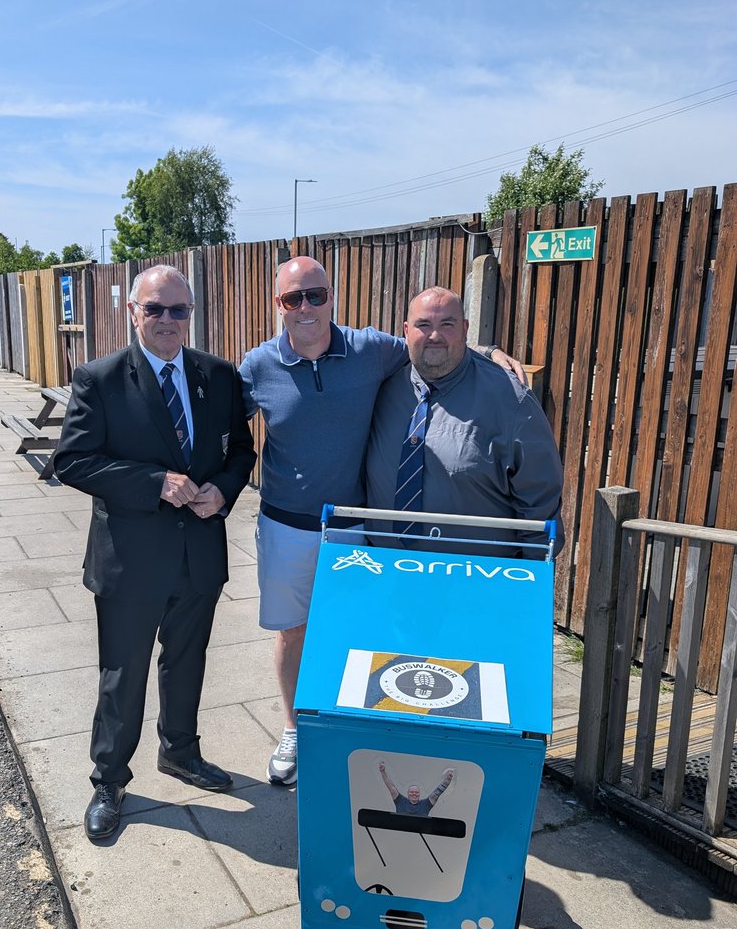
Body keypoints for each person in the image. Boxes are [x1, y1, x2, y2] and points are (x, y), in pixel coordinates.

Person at [238, 256, 523, 786]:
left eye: (315, 295)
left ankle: (344, 731)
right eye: (292, 299)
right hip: (285, 525)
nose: (305, 308)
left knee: (351, 633)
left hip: (352, 526)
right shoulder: (258, 366)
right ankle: (296, 729)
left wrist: (485, 352)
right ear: (278, 305)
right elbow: (223, 435)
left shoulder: (370, 350)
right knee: (292, 633)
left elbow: (431, 343)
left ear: (332, 297)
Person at [53, 265, 256, 841]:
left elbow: (240, 451)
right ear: (133, 313)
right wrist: (154, 483)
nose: (168, 321)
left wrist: (224, 488)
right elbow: (73, 461)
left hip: (199, 553)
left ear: (191, 314)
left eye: (178, 310)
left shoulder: (218, 375)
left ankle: (181, 752)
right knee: (124, 673)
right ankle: (110, 778)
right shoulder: (101, 378)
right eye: (155, 309)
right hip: (131, 557)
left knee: (187, 661)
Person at [365, 286, 564, 555]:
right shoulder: (381, 386)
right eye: (423, 324)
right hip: (384, 572)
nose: (434, 335)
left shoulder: (511, 401)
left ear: (465, 328)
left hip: (475, 581)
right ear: (405, 330)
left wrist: (525, 584)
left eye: (447, 324)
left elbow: (540, 509)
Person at [378, 761, 455, 815]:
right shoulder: (400, 801)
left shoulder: (426, 804)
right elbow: (391, 787)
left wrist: (447, 780)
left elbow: (437, 792)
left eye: (416, 792)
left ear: (419, 794)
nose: (414, 794)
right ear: (407, 794)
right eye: (412, 792)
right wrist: (383, 772)